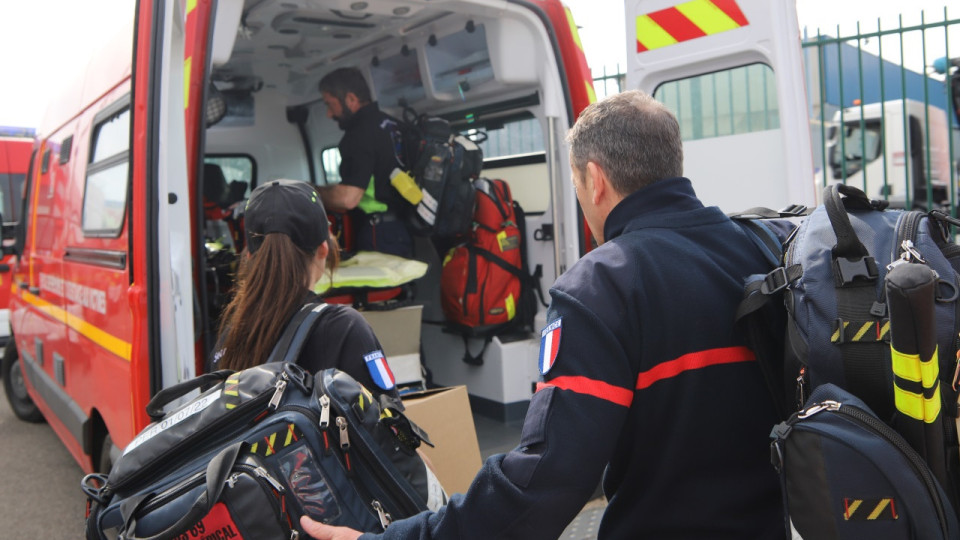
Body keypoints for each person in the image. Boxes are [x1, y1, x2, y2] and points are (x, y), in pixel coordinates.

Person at [300, 90, 785, 539]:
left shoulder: (604, 284)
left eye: (575, 184)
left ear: (595, 180)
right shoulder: (763, 252)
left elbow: (546, 481)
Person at [211, 178, 399, 399]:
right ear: (323, 250)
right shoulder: (345, 328)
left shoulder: (228, 338)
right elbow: (388, 423)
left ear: (250, 256)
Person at [317, 67, 413, 258]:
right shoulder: (393, 125)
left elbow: (348, 199)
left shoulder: (359, 135)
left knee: (378, 288)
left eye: (330, 104)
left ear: (351, 99)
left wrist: (310, 193)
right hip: (403, 229)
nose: (329, 114)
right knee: (400, 285)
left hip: (378, 233)